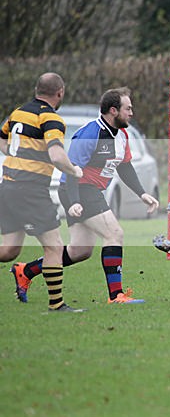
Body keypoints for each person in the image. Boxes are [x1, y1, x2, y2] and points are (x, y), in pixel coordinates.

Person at [10, 87, 159, 304]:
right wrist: (75, 201)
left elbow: (125, 168)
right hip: (79, 189)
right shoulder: (90, 134)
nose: (132, 113)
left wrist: (142, 193)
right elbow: (71, 171)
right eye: (128, 109)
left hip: (90, 191)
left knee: (80, 251)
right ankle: (116, 295)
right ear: (113, 111)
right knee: (114, 233)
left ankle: (26, 271)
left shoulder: (123, 135)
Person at [0, 72, 84, 312]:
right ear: (60, 93)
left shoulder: (19, 112)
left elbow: (1, 138)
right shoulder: (52, 118)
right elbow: (57, 156)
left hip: (7, 186)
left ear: (37, 90)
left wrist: (17, 155)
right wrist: (74, 170)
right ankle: (57, 304)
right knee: (55, 247)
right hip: (30, 190)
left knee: (9, 250)